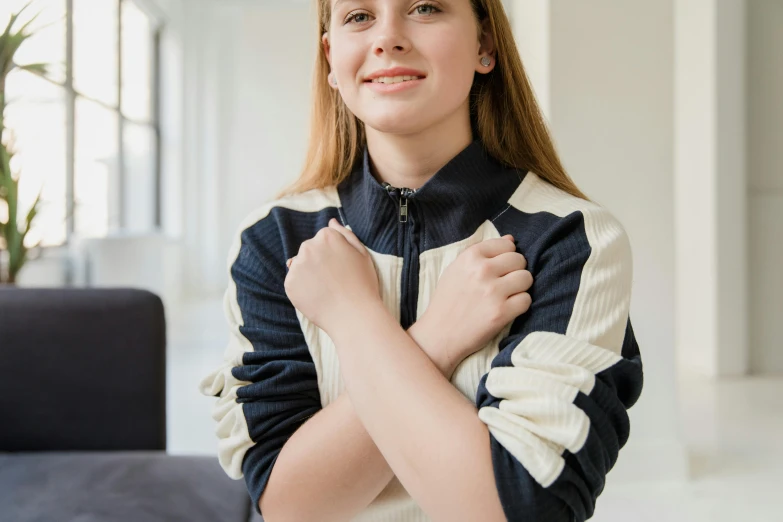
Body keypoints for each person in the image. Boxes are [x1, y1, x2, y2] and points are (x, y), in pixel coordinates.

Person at [199, 0, 643, 520]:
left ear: (485, 45)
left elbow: (519, 508)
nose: (388, 38)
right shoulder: (274, 242)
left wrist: (351, 316)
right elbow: (289, 504)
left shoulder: (571, 239)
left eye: (425, 7)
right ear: (330, 60)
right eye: (359, 17)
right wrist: (433, 337)